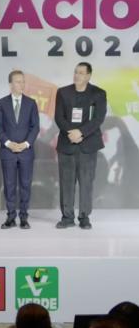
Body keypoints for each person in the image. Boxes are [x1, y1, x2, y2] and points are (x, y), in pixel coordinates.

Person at [55, 62, 107, 229]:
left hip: (88, 145)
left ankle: (84, 217)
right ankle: (67, 217)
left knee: (86, 182)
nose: (77, 75)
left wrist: (81, 133)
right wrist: (72, 132)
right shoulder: (63, 92)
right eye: (76, 72)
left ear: (89, 76)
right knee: (66, 182)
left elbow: (98, 118)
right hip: (67, 144)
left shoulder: (98, 94)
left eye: (81, 73)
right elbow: (59, 117)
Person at [0, 70, 39, 229]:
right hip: (8, 152)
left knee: (26, 185)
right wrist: (8, 143)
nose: (22, 84)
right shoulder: (1, 103)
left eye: (23, 81)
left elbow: (35, 127)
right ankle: (10, 217)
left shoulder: (31, 103)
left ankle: (24, 217)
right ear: (10, 84)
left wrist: (26, 143)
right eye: (18, 81)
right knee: (9, 185)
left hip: (26, 151)